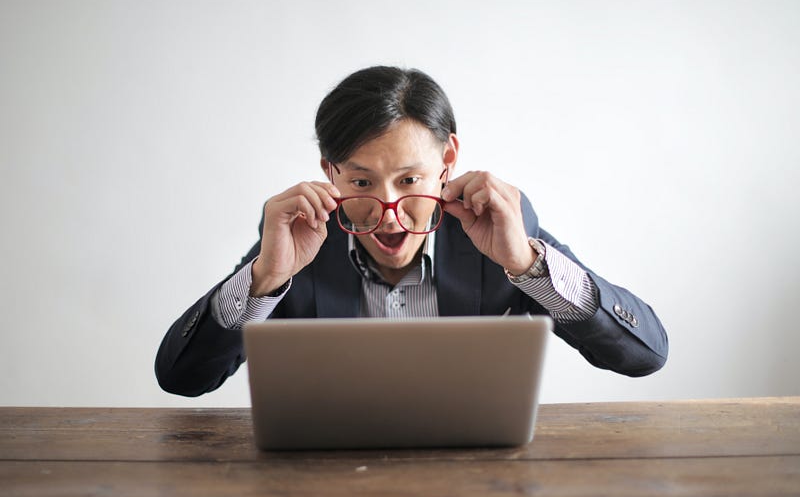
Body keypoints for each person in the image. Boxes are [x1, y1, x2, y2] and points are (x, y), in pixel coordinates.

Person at [156, 66, 668, 397]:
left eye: (409, 180)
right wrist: (265, 278)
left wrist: (527, 266)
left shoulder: (499, 227)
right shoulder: (300, 237)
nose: (389, 212)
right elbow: (182, 378)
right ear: (329, 172)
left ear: (447, 162)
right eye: (361, 181)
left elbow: (644, 355)